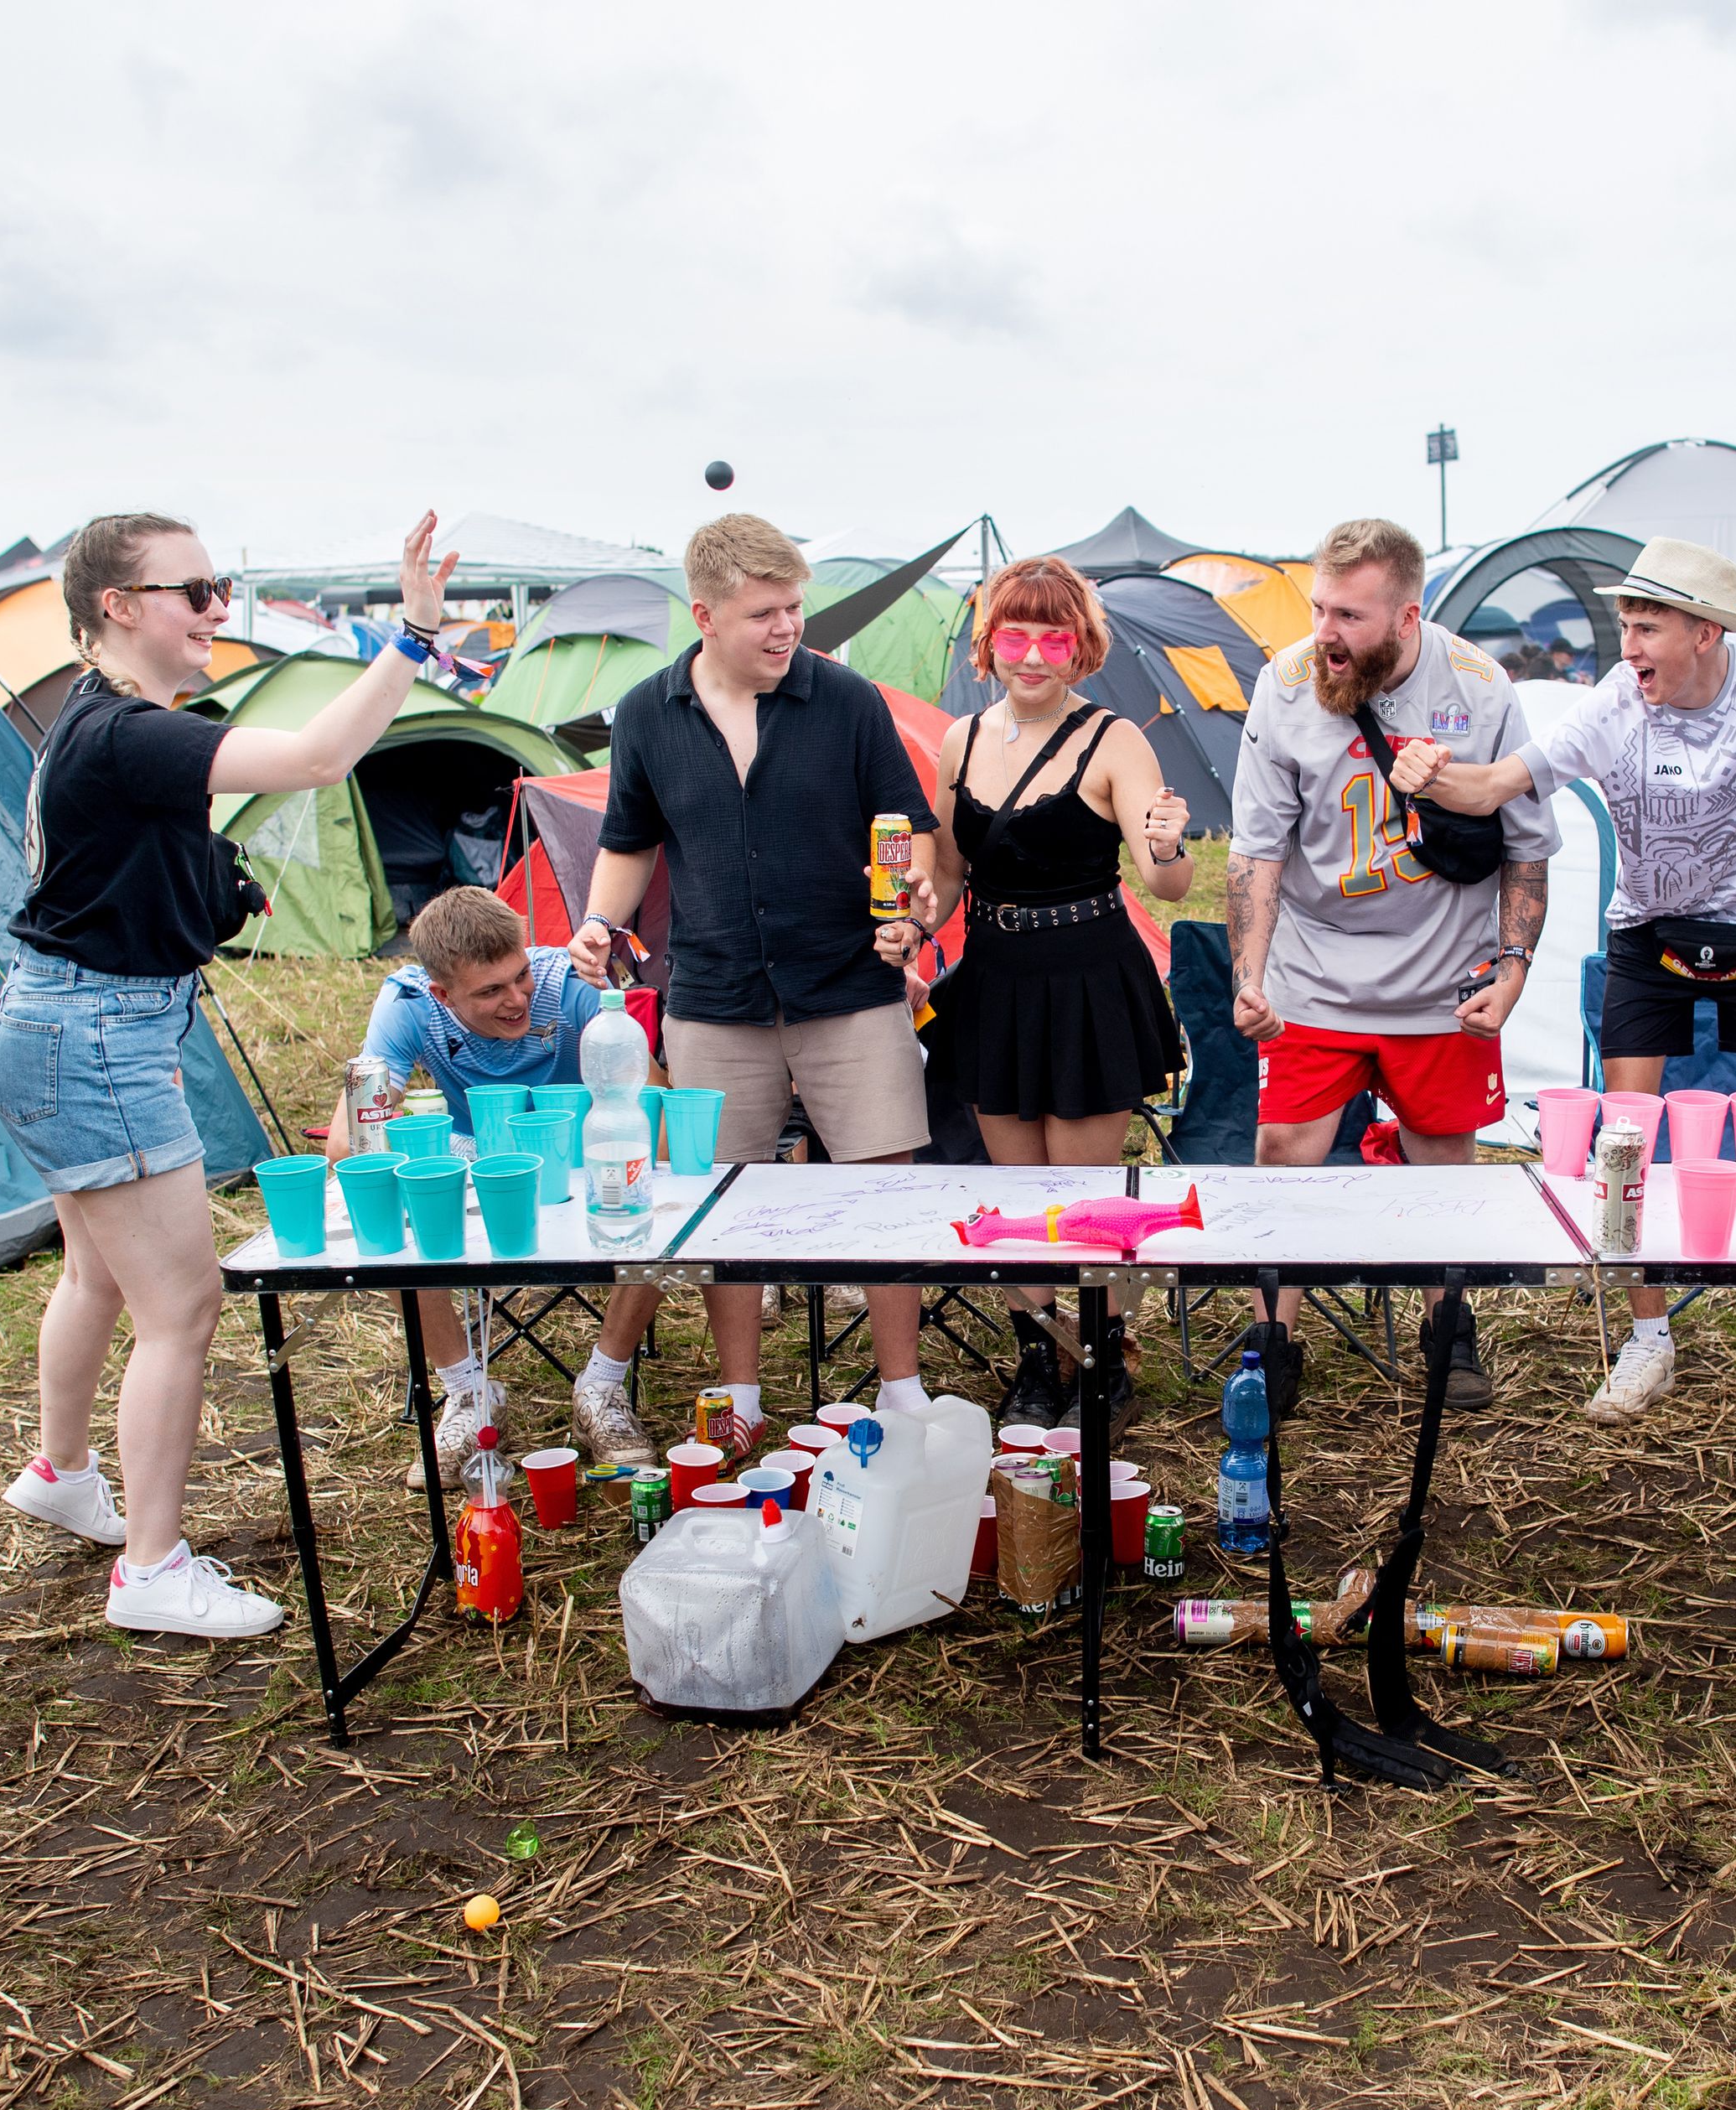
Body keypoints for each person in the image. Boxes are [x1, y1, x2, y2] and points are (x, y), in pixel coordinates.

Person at [0, 509, 457, 1640]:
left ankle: (59, 1472)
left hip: (57, 1022)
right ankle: (151, 1565)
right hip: (95, 1036)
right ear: (118, 606)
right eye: (192, 589)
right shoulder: (122, 733)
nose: (214, 609)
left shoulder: (98, 723)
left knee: (97, 1275)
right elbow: (316, 759)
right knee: (183, 1305)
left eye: (221, 586)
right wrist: (412, 640)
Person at [1393, 537, 1736, 1425]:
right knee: (1626, 1147)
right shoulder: (1612, 708)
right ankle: (1645, 1339)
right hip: (1646, 941)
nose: (1629, 646)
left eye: (1646, 627)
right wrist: (1430, 775)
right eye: (1623, 625)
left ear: (1704, 631)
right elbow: (1495, 784)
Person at [567, 515, 938, 1437]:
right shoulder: (649, 714)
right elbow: (627, 844)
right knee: (725, 1203)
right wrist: (598, 920)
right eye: (765, 613)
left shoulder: (848, 702)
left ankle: (902, 1393)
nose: (788, 629)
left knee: (883, 1196)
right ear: (705, 615)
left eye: (795, 609)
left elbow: (907, 829)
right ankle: (738, 1401)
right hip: (714, 1001)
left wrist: (912, 905)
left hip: (849, 990)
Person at [1225, 518, 1553, 1415]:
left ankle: (1448, 1328)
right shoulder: (1285, 684)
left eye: (1351, 617)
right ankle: (1272, 1338)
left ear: (1408, 615)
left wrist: (1513, 967)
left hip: (1440, 979)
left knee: (1443, 1154)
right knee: (1284, 1150)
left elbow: (1526, 849)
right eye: (1320, 609)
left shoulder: (1480, 690)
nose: (1326, 634)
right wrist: (1249, 976)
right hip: (1314, 977)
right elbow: (1254, 852)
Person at [889, 557, 1190, 1428]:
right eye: (1014, 635)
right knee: (1018, 1197)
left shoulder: (1115, 740)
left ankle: (1101, 1363)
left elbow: (1164, 885)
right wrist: (917, 909)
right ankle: (1037, 1357)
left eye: (1052, 637)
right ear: (988, 644)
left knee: (1081, 1194)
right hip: (995, 980)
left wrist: (1169, 847)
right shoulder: (961, 740)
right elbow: (946, 875)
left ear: (1080, 647)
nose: (1032, 655)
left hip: (1090, 982)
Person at [337, 887, 666, 1476]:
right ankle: (467, 1391)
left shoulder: (567, 985)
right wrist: (389, 1122)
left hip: (578, 1152)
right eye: (491, 991)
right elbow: (348, 1142)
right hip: (472, 1152)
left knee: (662, 1200)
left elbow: (657, 1110)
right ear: (443, 993)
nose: (518, 999)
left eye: (520, 978)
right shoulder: (410, 1003)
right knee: (378, 1207)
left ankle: (604, 1385)